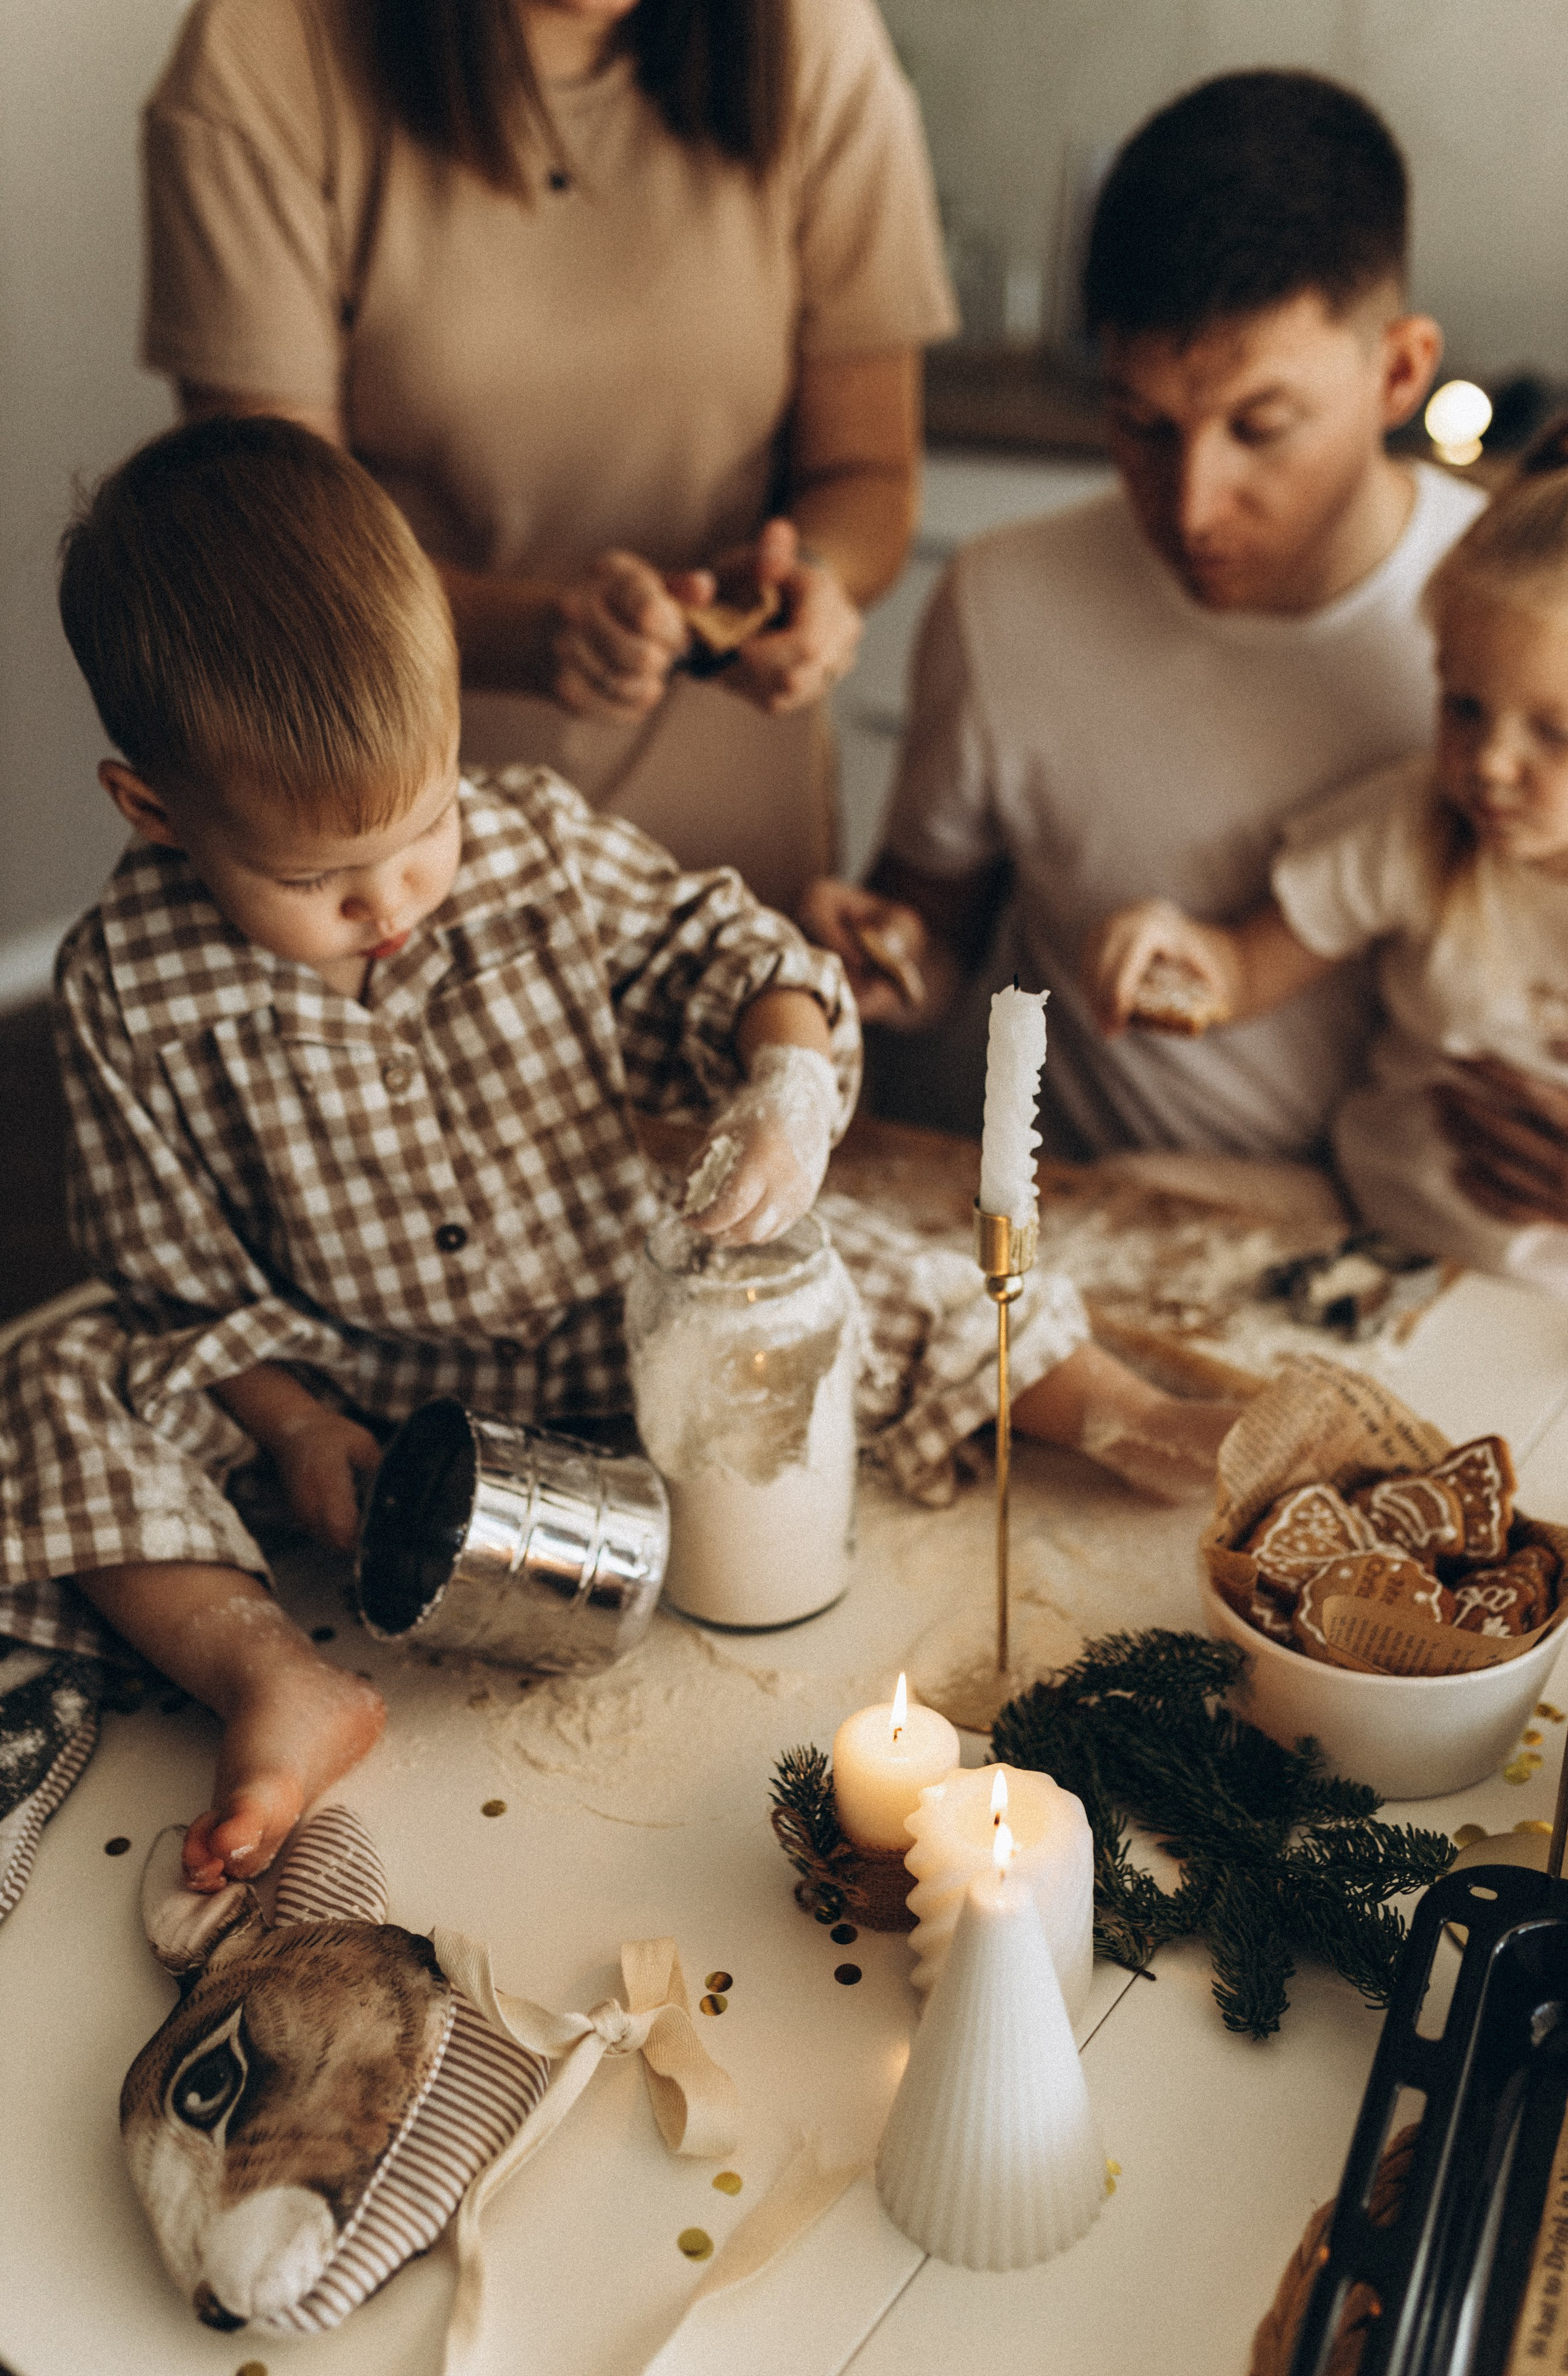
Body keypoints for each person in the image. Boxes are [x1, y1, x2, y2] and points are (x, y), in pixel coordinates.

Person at [1, 418, 1239, 1895]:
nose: (393, 902)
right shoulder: (127, 989)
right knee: (54, 1382)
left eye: (423, 827)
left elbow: (733, 957)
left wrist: (783, 1071)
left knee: (875, 1275)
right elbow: (172, 1293)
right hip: (368, 1401)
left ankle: (1121, 1414)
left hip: (634, 1323)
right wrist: (290, 1426)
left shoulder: (535, 849)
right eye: (314, 881)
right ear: (152, 807)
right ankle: (270, 1676)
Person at [140, 0, 958, 912]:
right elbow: (279, 553)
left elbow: (865, 476)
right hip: (385, 864)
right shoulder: (266, 50)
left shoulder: (814, 34)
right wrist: (537, 639)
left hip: (735, 861)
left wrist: (808, 578)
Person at [801, 69, 1481, 1160]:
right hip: (1110, 1230)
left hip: (1445, 1266)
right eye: (1143, 427)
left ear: (1400, 373)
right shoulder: (1005, 600)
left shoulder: (1528, 626)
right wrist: (883, 958)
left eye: (1262, 428)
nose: (1192, 505)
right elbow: (931, 938)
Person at [1085, 415, 1568, 1304]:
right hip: (1365, 1230)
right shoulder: (1419, 820)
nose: (1490, 763)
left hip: (1555, 1317)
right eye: (1464, 706)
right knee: (1109, 1197)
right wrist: (1172, 950)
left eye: (1556, 732)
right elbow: (1240, 969)